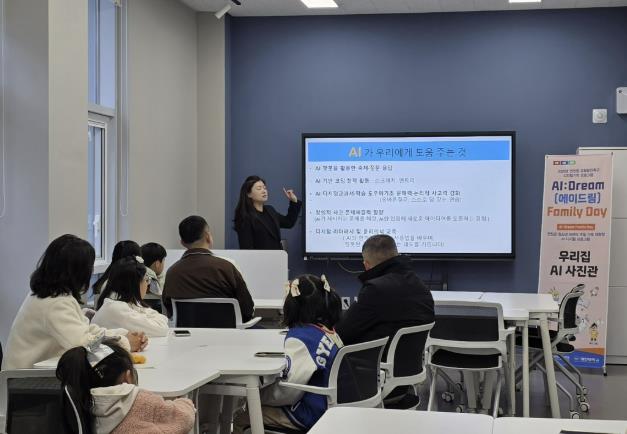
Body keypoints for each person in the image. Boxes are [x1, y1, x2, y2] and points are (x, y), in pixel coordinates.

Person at [2, 235, 148, 370]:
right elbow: (84, 346)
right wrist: (124, 342)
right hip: (26, 382)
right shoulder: (55, 303)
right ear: (78, 271)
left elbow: (86, 330)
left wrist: (123, 334)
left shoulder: (51, 295)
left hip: (31, 376)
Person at [233, 274, 343, 433]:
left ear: (292, 307)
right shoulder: (329, 332)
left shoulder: (300, 339)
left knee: (243, 417)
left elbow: (288, 392)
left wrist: (255, 396)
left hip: (309, 414)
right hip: (331, 405)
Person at [56, 342, 195, 434]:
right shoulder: (141, 400)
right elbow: (183, 419)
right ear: (127, 377)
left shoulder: (83, 402)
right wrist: (184, 402)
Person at [336, 234, 434, 354]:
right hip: (412, 362)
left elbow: (342, 333)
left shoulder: (375, 289)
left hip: (375, 361)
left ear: (366, 265)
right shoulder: (420, 286)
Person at [162, 215, 254, 320]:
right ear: (208, 237)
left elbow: (169, 309)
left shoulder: (172, 272)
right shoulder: (227, 268)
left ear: (182, 243)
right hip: (226, 329)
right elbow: (247, 309)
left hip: (188, 330)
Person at [92, 257, 169, 337]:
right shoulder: (117, 309)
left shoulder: (123, 304)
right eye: (146, 279)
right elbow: (161, 329)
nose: (147, 284)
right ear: (134, 284)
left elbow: (162, 320)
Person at [233, 175, 302, 250]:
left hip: (277, 256)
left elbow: (289, 222)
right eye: (259, 188)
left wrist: (294, 201)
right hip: (260, 257)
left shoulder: (270, 210)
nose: (264, 191)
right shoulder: (245, 217)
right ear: (249, 194)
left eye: (264, 188)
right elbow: (247, 249)